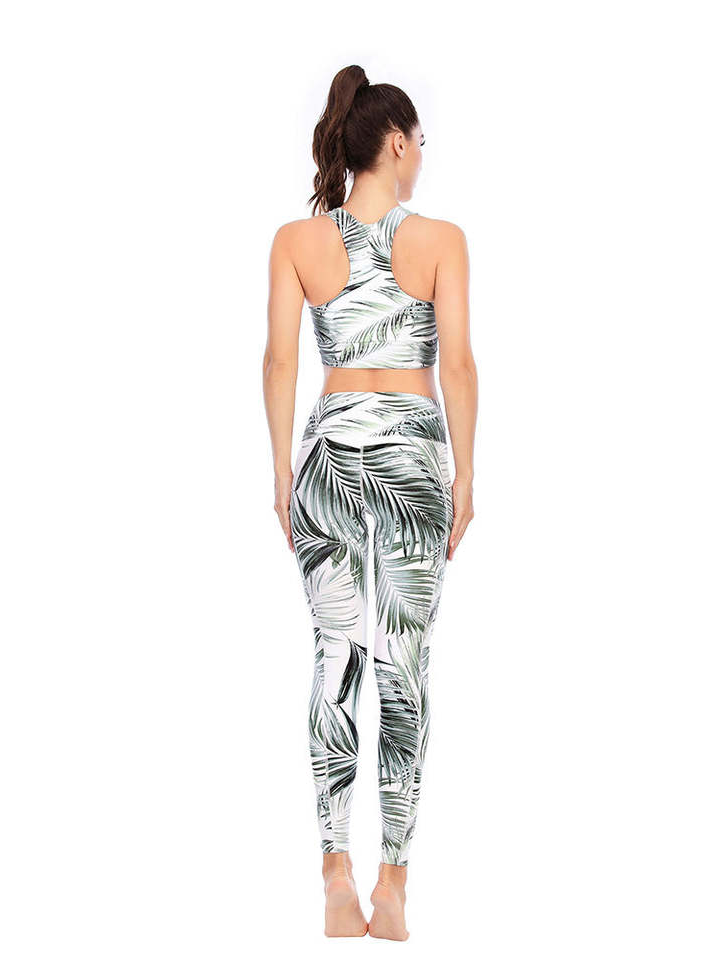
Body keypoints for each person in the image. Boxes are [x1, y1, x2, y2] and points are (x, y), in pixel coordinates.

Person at [262, 64, 478, 940]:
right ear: (394, 143)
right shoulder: (441, 240)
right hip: (412, 457)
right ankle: (393, 881)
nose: (422, 156)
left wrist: (282, 474)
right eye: (419, 142)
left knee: (334, 656)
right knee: (403, 662)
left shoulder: (296, 241)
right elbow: (456, 365)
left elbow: (281, 361)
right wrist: (467, 476)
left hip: (327, 451)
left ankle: (333, 871)